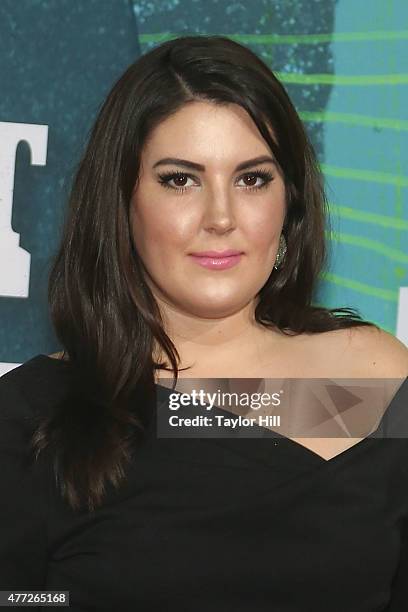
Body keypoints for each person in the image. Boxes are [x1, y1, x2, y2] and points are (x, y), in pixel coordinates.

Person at [1, 34, 407, 612]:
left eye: (252, 179)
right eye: (179, 179)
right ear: (122, 201)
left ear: (289, 201)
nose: (221, 218)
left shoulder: (373, 381)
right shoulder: (31, 419)